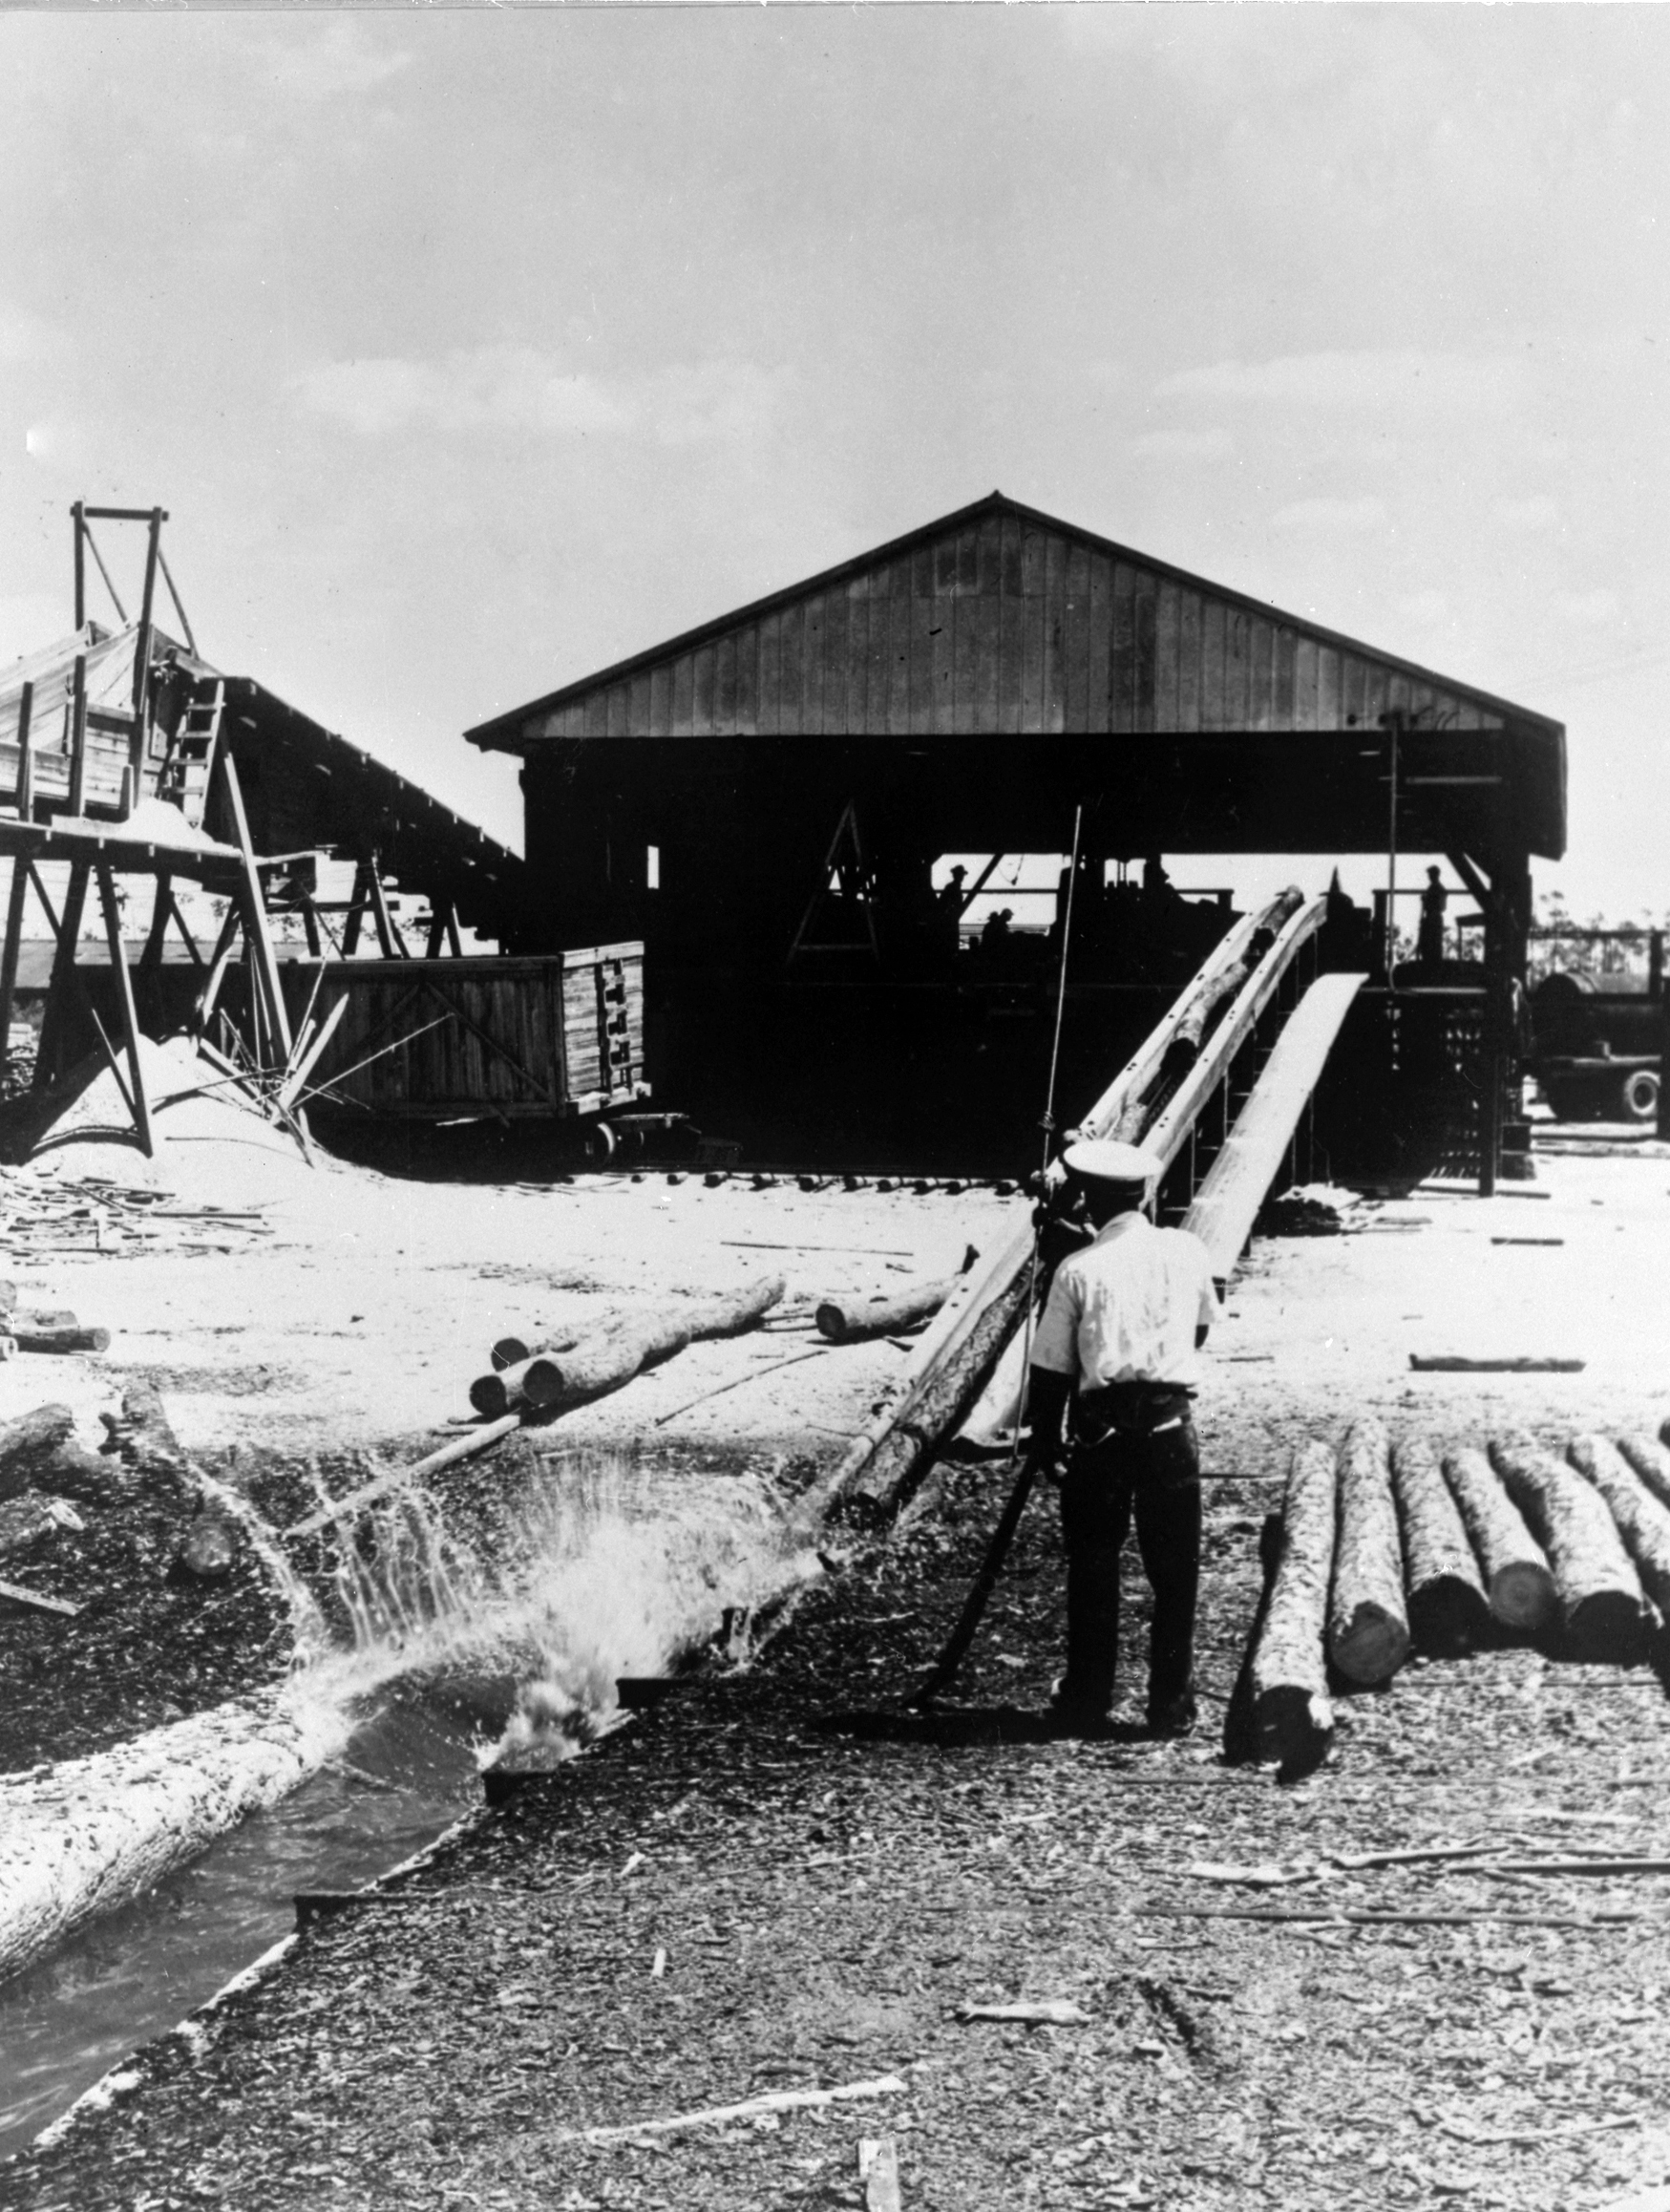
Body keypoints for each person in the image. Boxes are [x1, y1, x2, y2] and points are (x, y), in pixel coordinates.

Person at [1025, 1138, 1218, 1736]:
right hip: (1169, 1426)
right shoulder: (1187, 1250)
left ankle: (1087, 1698)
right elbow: (1202, 1328)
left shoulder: (1077, 1269)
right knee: (1175, 1570)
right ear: (1146, 1194)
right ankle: (1170, 1705)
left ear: (1086, 1198)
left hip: (1102, 1432)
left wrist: (1046, 1442)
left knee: (1093, 1565)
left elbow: (1051, 1369)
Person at [1418, 866, 1448, 967]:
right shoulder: (1433, 887)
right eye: (1429, 874)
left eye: (1431, 874)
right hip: (1431, 917)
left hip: (1434, 917)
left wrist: (1426, 900)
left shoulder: (1438, 888)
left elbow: (1440, 905)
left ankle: (1432, 964)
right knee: (1428, 942)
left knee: (1433, 942)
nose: (1429, 876)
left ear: (1436, 875)